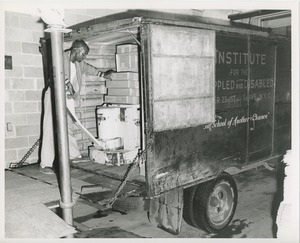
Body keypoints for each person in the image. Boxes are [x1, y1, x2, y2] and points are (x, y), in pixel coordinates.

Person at [39, 39, 115, 174]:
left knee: (69, 127)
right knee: (50, 128)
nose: (84, 57)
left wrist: (103, 75)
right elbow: (60, 73)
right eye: (83, 54)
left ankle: (73, 156)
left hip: (67, 98)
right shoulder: (60, 56)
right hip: (54, 95)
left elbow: (88, 68)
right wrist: (69, 86)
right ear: (76, 50)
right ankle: (45, 164)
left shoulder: (78, 63)